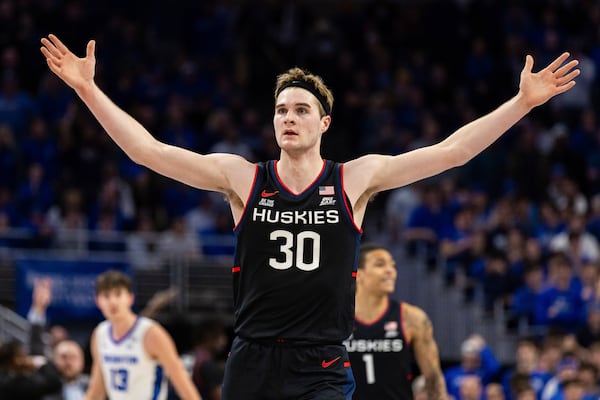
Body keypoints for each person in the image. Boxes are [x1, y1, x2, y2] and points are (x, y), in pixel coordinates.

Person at [40, 33, 580, 399]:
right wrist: (88, 89)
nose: (288, 118)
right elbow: (148, 152)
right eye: (280, 110)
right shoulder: (243, 177)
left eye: (300, 110)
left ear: (324, 122)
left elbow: (451, 152)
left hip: (319, 362)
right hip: (250, 358)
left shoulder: (354, 178)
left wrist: (521, 104)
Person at [344, 243, 447, 399]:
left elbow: (433, 378)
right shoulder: (337, 318)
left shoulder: (412, 318)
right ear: (358, 273)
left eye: (393, 265)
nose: (390, 271)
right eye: (380, 264)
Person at [84, 270, 201, 400]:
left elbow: (182, 383)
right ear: (98, 301)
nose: (112, 302)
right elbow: (96, 390)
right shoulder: (100, 334)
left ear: (130, 298)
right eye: (106, 296)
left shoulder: (151, 333)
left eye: (118, 294)